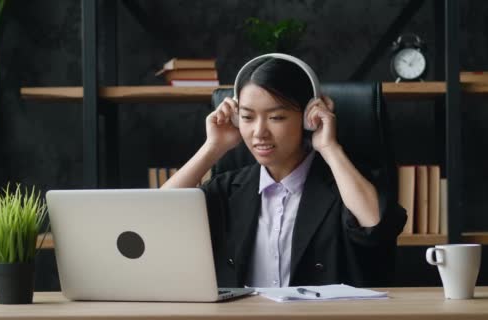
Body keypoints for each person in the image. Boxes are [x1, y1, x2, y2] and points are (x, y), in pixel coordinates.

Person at [162, 55, 406, 288]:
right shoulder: (227, 189)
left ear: (308, 118)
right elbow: (157, 218)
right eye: (247, 117)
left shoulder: (345, 186)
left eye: (276, 117)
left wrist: (329, 147)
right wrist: (213, 147)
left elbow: (377, 228)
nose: (259, 132)